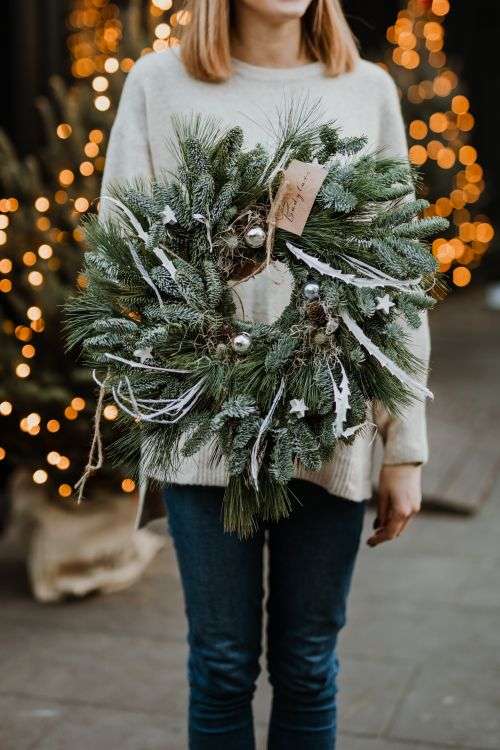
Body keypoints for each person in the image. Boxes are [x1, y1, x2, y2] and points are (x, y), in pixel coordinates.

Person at [101, 1, 429, 747]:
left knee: (309, 664)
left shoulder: (366, 88)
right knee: (220, 664)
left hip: (330, 425)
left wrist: (404, 446)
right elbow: (121, 258)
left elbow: (399, 284)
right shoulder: (160, 85)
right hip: (204, 425)